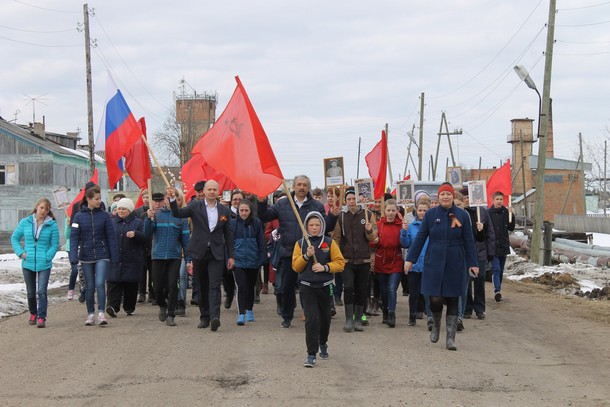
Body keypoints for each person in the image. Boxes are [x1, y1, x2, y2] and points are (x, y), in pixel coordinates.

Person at [404, 183, 478, 351]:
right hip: (434, 259)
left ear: (453, 196)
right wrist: (410, 259)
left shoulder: (463, 215)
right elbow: (421, 238)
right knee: (435, 298)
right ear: (438, 197)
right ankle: (436, 327)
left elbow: (469, 241)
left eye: (448, 194)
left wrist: (473, 263)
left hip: (455, 259)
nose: (445, 197)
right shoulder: (430, 215)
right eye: (442, 194)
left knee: (453, 298)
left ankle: (451, 338)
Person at [257, 175, 338, 328]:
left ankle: (311, 315)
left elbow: (325, 227)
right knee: (286, 288)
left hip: (311, 253)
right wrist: (261, 202)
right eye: (299, 184)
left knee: (309, 287)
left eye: (305, 185)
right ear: (293, 186)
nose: (302, 187)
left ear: (309, 188)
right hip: (289, 253)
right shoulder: (282, 204)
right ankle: (287, 316)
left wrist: (333, 216)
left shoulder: (316, 205)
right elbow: (264, 216)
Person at [168, 180, 234, 332]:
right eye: (209, 189)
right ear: (204, 191)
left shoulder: (224, 210)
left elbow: (228, 234)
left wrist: (231, 255)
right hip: (199, 252)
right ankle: (204, 317)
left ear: (218, 191)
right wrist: (172, 199)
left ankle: (215, 317)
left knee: (215, 285)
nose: (212, 192)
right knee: (202, 286)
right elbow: (178, 213)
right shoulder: (194, 206)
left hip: (216, 253)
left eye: (214, 189)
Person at [293, 212, 346, 368]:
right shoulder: (301, 243)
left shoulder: (329, 243)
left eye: (317, 225)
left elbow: (340, 263)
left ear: (322, 225)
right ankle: (311, 353)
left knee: (325, 319)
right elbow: (296, 266)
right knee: (312, 319)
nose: (314, 228)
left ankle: (323, 342)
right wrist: (306, 256)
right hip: (307, 287)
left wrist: (325, 267)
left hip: (326, 287)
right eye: (311, 225)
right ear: (306, 226)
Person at [70, 186, 118, 326]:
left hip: (102, 254)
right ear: (88, 199)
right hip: (86, 255)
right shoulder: (78, 216)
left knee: (99, 283)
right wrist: (73, 256)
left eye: (100, 199)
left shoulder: (104, 216)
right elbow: (74, 238)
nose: (99, 201)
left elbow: (111, 237)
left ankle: (101, 313)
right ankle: (90, 314)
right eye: (96, 199)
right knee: (89, 286)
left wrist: (114, 256)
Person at [331, 187, 377, 332]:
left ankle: (358, 319)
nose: (352, 202)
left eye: (354, 199)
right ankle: (349, 319)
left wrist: (369, 230)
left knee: (361, 290)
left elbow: (373, 238)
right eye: (349, 199)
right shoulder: (342, 217)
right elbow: (336, 238)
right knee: (349, 287)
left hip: (363, 259)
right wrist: (338, 256)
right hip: (347, 260)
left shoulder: (368, 214)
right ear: (345, 201)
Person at [11, 198, 59, 328]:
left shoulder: (52, 225)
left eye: (47, 209)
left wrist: (47, 257)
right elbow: (14, 238)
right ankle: (33, 313)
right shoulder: (25, 222)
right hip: (28, 262)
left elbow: (55, 245)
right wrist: (21, 253)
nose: (44, 211)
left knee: (42, 291)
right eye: (42, 208)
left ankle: (42, 317)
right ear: (37, 207)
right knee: (31, 292)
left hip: (44, 263)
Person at [145, 192, 191, 327]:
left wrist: (188, 259)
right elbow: (147, 234)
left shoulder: (181, 218)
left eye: (176, 199)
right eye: (170, 199)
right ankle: (162, 305)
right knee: (157, 287)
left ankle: (171, 314)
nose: (172, 201)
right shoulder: (156, 215)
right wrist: (148, 219)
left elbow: (186, 240)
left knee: (172, 286)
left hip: (174, 256)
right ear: (166, 200)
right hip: (158, 256)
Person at [106, 198, 147, 317]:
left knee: (131, 286)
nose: (121, 211)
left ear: (129, 210)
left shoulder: (138, 222)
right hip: (115, 259)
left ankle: (129, 307)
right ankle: (113, 307)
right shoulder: (112, 222)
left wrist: (136, 234)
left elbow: (145, 238)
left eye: (123, 209)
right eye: (119, 208)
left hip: (132, 259)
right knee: (114, 284)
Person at [460, 187, 495, 322]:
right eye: (465, 198)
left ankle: (480, 308)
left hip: (480, 251)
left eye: (469, 197)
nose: (467, 200)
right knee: (466, 280)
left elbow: (490, 233)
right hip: (466, 251)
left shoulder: (483, 212)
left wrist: (491, 252)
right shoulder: (461, 213)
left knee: (480, 278)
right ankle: (467, 308)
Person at [231, 199, 266, 325]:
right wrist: (229, 258)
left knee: (251, 286)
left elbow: (261, 241)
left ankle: (249, 309)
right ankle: (241, 313)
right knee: (241, 286)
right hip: (238, 261)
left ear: (250, 211)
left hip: (253, 260)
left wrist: (262, 258)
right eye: (241, 210)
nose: (244, 213)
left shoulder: (256, 223)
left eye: (246, 210)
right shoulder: (232, 223)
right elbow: (229, 244)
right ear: (238, 210)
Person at [373, 199, 403, 328]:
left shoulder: (401, 225)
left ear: (397, 211)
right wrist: (374, 240)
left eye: (393, 210)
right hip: (381, 261)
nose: (391, 213)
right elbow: (371, 242)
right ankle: (385, 311)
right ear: (384, 211)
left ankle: (392, 314)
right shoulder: (379, 225)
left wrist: (406, 233)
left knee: (392, 289)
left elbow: (405, 243)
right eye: (388, 210)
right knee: (384, 291)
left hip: (395, 261)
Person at [401, 200, 430, 326]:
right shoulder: (411, 226)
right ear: (416, 211)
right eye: (420, 210)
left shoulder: (432, 226)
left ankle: (429, 315)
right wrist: (404, 232)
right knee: (413, 292)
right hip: (414, 264)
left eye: (425, 210)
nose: (422, 213)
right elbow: (405, 244)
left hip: (428, 264)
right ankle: (412, 316)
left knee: (427, 292)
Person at [488, 191, 515, 302]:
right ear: (493, 200)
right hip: (493, 245)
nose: (499, 201)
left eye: (501, 199)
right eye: (497, 199)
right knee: (496, 268)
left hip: (503, 245)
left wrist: (511, 215)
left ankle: (498, 288)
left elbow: (511, 228)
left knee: (501, 269)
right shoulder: (488, 212)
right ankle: (497, 290)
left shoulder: (506, 212)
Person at [133, 188, 154, 305]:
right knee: (142, 270)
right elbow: (138, 222)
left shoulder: (156, 210)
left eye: (148, 197)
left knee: (152, 271)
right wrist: (146, 214)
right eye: (144, 197)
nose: (146, 200)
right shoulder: (137, 211)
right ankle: (141, 292)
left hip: (152, 243)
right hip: (142, 244)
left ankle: (152, 292)